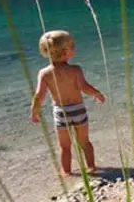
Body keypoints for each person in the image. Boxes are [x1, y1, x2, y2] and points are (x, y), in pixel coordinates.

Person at [30, 30, 106, 177]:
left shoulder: (44, 73)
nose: (74, 48)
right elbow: (84, 87)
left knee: (64, 146)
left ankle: (66, 172)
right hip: (78, 110)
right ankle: (91, 167)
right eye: (72, 46)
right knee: (84, 142)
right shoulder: (75, 70)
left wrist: (34, 111)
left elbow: (39, 95)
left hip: (60, 113)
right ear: (65, 53)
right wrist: (97, 94)